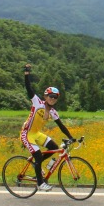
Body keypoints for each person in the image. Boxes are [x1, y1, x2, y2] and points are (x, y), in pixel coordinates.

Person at [20, 63, 75, 191]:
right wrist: (27, 74)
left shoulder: (53, 112)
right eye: (51, 96)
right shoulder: (37, 102)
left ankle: (36, 165)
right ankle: (40, 184)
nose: (53, 99)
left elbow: (61, 126)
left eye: (55, 97)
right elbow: (29, 88)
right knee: (38, 156)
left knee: (54, 148)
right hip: (27, 134)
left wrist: (72, 138)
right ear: (45, 97)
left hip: (37, 134)